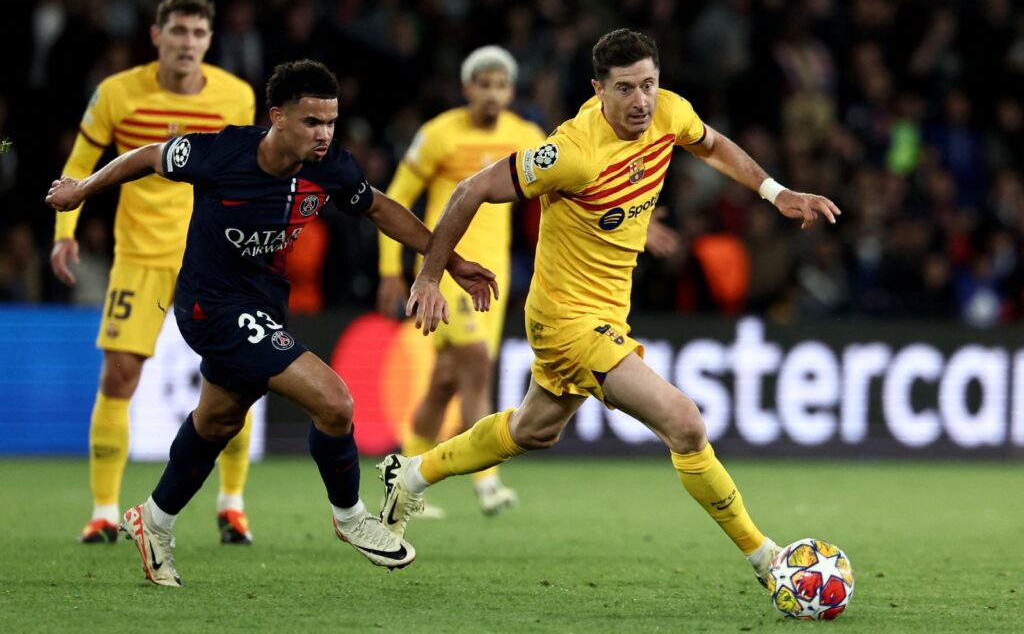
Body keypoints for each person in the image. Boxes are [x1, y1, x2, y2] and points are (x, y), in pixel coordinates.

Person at [378, 29, 841, 587]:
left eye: (648, 84)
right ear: (598, 89)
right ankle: (768, 561)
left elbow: (712, 144)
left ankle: (410, 476)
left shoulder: (668, 112)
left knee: (532, 430)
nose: (641, 100)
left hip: (607, 312)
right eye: (625, 89)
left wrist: (775, 192)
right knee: (685, 423)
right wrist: (428, 275)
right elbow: (468, 191)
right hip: (565, 320)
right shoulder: (570, 152)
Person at [46, 59, 498, 587]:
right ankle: (352, 517)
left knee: (217, 421)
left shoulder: (329, 167)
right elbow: (147, 157)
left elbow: (377, 208)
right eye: (312, 122)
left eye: (330, 122)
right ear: (277, 118)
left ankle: (152, 520)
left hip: (262, 303)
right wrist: (82, 190)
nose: (324, 134)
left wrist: (451, 262)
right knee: (335, 402)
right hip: (209, 306)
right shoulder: (222, 152)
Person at [50, 0, 259, 545]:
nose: (187, 43)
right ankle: (101, 511)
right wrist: (65, 232)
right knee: (119, 377)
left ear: (210, 41)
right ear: (156, 35)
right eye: (178, 32)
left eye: (198, 34)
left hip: (213, 258)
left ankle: (232, 506)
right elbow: (79, 165)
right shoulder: (117, 94)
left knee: (238, 379)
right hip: (140, 258)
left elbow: (251, 173)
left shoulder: (236, 98)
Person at [376, 46, 545, 517]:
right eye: (483, 85)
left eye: (501, 85)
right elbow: (396, 199)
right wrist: (390, 268)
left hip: (492, 275)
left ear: (511, 91)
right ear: (468, 88)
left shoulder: (526, 136)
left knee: (445, 382)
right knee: (476, 366)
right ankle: (487, 482)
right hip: (448, 270)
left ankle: (401, 479)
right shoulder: (438, 135)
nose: (492, 94)